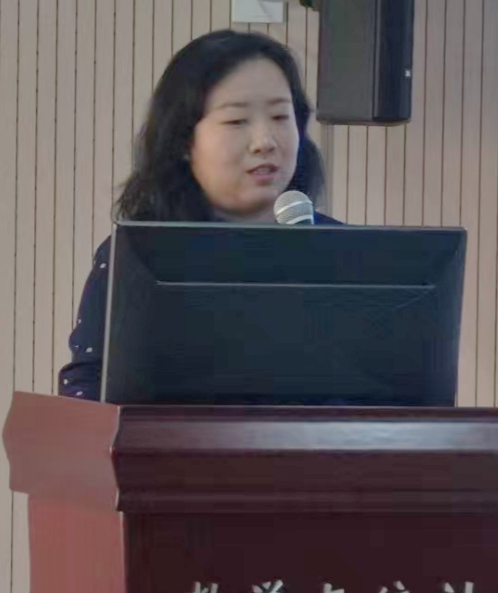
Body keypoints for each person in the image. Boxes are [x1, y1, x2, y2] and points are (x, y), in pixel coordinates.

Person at [59, 29, 339, 400]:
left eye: (279, 116)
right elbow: (88, 391)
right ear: (184, 141)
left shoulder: (344, 251)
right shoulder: (139, 256)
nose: (265, 141)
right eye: (237, 121)